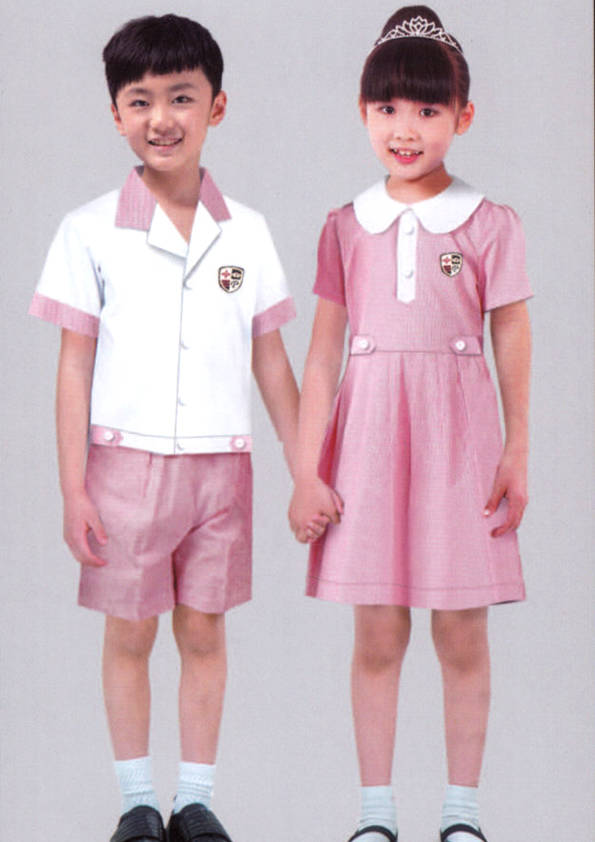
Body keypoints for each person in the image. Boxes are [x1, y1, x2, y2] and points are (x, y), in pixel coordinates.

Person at [29, 14, 300, 842]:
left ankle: (197, 801)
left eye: (181, 97)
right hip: (124, 467)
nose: (161, 118)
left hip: (222, 465)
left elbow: (271, 362)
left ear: (217, 106)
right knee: (130, 633)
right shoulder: (88, 231)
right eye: (139, 100)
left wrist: (307, 470)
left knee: (205, 630)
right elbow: (73, 368)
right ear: (116, 114)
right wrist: (73, 488)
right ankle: (138, 803)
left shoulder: (245, 232)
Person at [289, 6, 532, 842]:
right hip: (367, 441)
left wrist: (517, 448)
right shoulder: (344, 226)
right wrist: (305, 471)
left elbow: (510, 337)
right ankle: (375, 814)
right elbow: (320, 356)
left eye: (428, 110)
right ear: (361, 112)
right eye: (387, 108)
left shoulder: (488, 223)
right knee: (376, 632)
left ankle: (461, 813)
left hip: (458, 438)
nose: (405, 129)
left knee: (461, 632)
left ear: (463, 116)